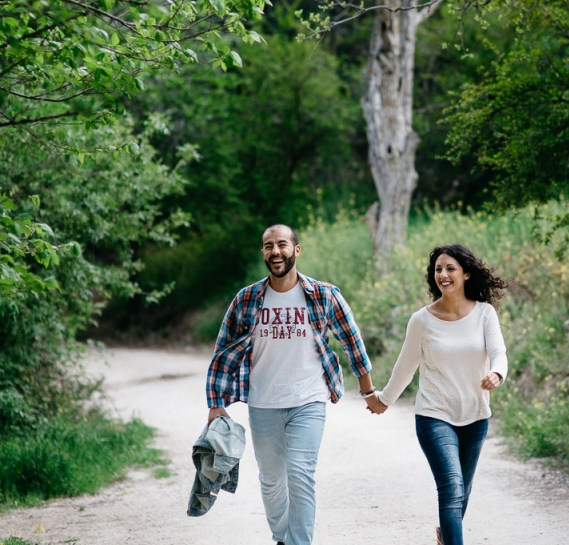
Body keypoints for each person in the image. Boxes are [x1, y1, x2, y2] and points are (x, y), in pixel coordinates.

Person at [205, 224, 384, 545]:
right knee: (272, 481)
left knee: (300, 475)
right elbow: (223, 351)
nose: (276, 251)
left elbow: (352, 342)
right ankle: (281, 538)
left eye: (282, 245)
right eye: (268, 246)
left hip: (309, 400)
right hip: (262, 402)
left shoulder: (324, 295)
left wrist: (368, 390)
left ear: (296, 250)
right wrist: (215, 405)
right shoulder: (246, 299)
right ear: (263, 252)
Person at [370, 243, 508, 545]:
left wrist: (497, 373)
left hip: (476, 416)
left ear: (466, 274)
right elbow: (405, 367)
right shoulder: (422, 320)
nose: (442, 275)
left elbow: (499, 352)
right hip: (434, 415)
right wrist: (384, 400)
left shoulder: (485, 314)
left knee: (463, 491)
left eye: (450, 269)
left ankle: (446, 536)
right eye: (438, 270)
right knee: (451, 487)